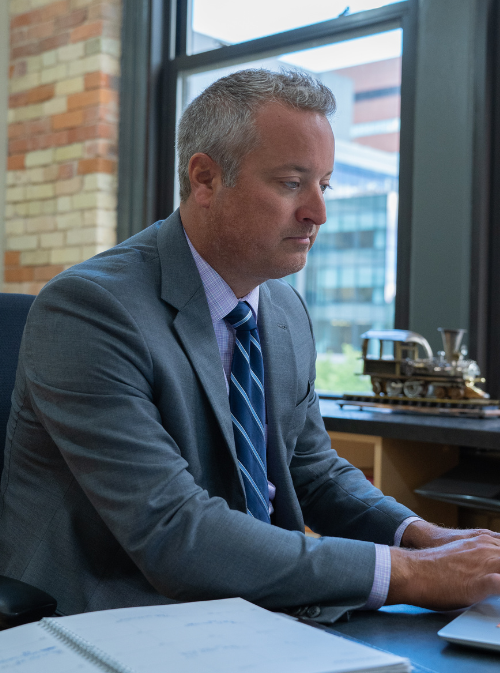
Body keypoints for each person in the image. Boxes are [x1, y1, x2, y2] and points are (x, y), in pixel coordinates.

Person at [0, 70, 499, 621]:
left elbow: (313, 472)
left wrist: (423, 539)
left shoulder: (283, 309)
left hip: (260, 609)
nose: (319, 213)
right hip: (118, 616)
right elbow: (172, 531)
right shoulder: (88, 310)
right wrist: (411, 574)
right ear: (205, 179)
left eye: (324, 185)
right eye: (291, 184)